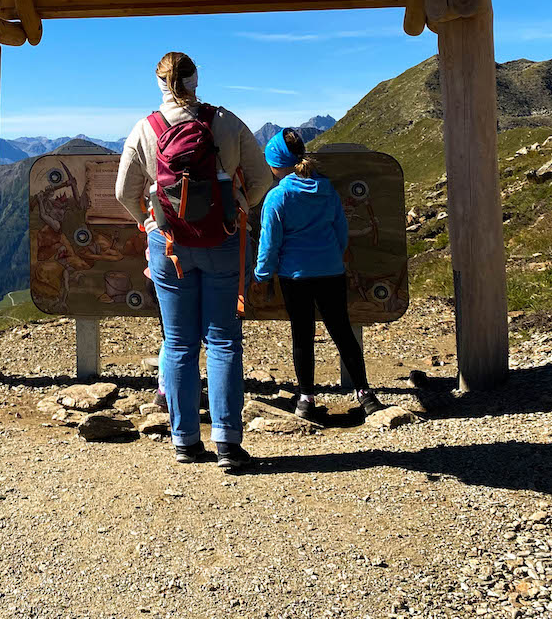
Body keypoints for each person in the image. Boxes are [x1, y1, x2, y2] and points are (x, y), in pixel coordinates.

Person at [117, 52, 273, 473]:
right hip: (223, 238)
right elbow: (261, 180)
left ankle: (184, 440)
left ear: (160, 84)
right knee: (223, 340)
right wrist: (238, 204)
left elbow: (123, 192)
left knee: (180, 342)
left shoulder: (145, 129)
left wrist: (147, 221)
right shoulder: (226, 121)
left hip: (168, 245)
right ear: (196, 79)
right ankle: (227, 441)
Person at [255, 129, 385, 421]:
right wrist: (332, 258)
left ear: (276, 163)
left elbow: (269, 242)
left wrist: (262, 274)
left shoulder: (277, 197)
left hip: (295, 275)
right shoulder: (326, 189)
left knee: (302, 336)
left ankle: (306, 399)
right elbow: (341, 232)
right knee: (341, 331)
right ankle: (365, 394)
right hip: (330, 271)